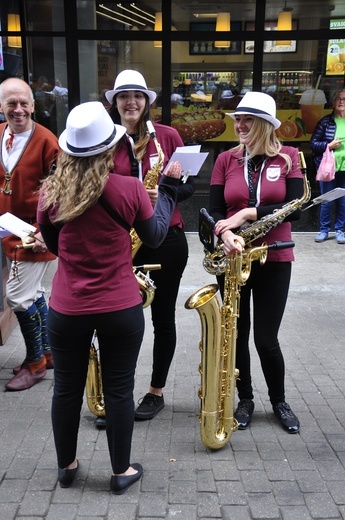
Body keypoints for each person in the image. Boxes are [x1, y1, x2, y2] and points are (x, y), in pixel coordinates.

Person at [37, 101, 182, 492]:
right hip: (120, 305)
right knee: (120, 389)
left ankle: (66, 467)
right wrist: (167, 192)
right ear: (109, 148)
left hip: (67, 307)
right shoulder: (129, 188)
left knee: (65, 388)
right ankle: (121, 472)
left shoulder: (50, 193)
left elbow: (53, 245)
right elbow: (153, 237)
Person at [209, 91, 304, 434]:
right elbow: (215, 210)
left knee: (266, 338)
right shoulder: (225, 159)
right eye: (238, 119)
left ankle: (278, 400)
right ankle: (245, 398)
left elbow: (295, 204)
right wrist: (224, 235)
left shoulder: (290, 157)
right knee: (237, 334)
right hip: (234, 256)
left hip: (275, 256)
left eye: (248, 119)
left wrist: (251, 213)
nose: (241, 125)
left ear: (265, 124)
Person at [105, 69, 195, 420]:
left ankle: (155, 392)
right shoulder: (105, 140)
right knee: (117, 321)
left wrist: (166, 193)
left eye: (137, 96)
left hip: (165, 239)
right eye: (124, 96)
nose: (131, 102)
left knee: (162, 319)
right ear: (114, 103)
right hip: (119, 240)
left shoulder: (169, 137)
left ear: (147, 102)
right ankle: (116, 395)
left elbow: (188, 186)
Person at [0, 77, 59, 391]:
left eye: (24, 103)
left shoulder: (48, 142)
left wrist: (44, 231)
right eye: (11, 103)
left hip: (36, 235)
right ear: (1, 107)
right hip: (8, 230)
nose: (18, 109)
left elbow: (62, 193)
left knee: (17, 297)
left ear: (34, 106)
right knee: (33, 293)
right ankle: (49, 354)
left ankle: (35, 364)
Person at [310, 89, 345, 244]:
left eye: (344, 99)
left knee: (343, 201)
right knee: (327, 201)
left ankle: (340, 231)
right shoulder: (325, 122)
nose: (341, 101)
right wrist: (328, 145)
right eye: (338, 98)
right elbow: (313, 143)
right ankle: (323, 231)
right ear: (333, 102)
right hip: (329, 169)